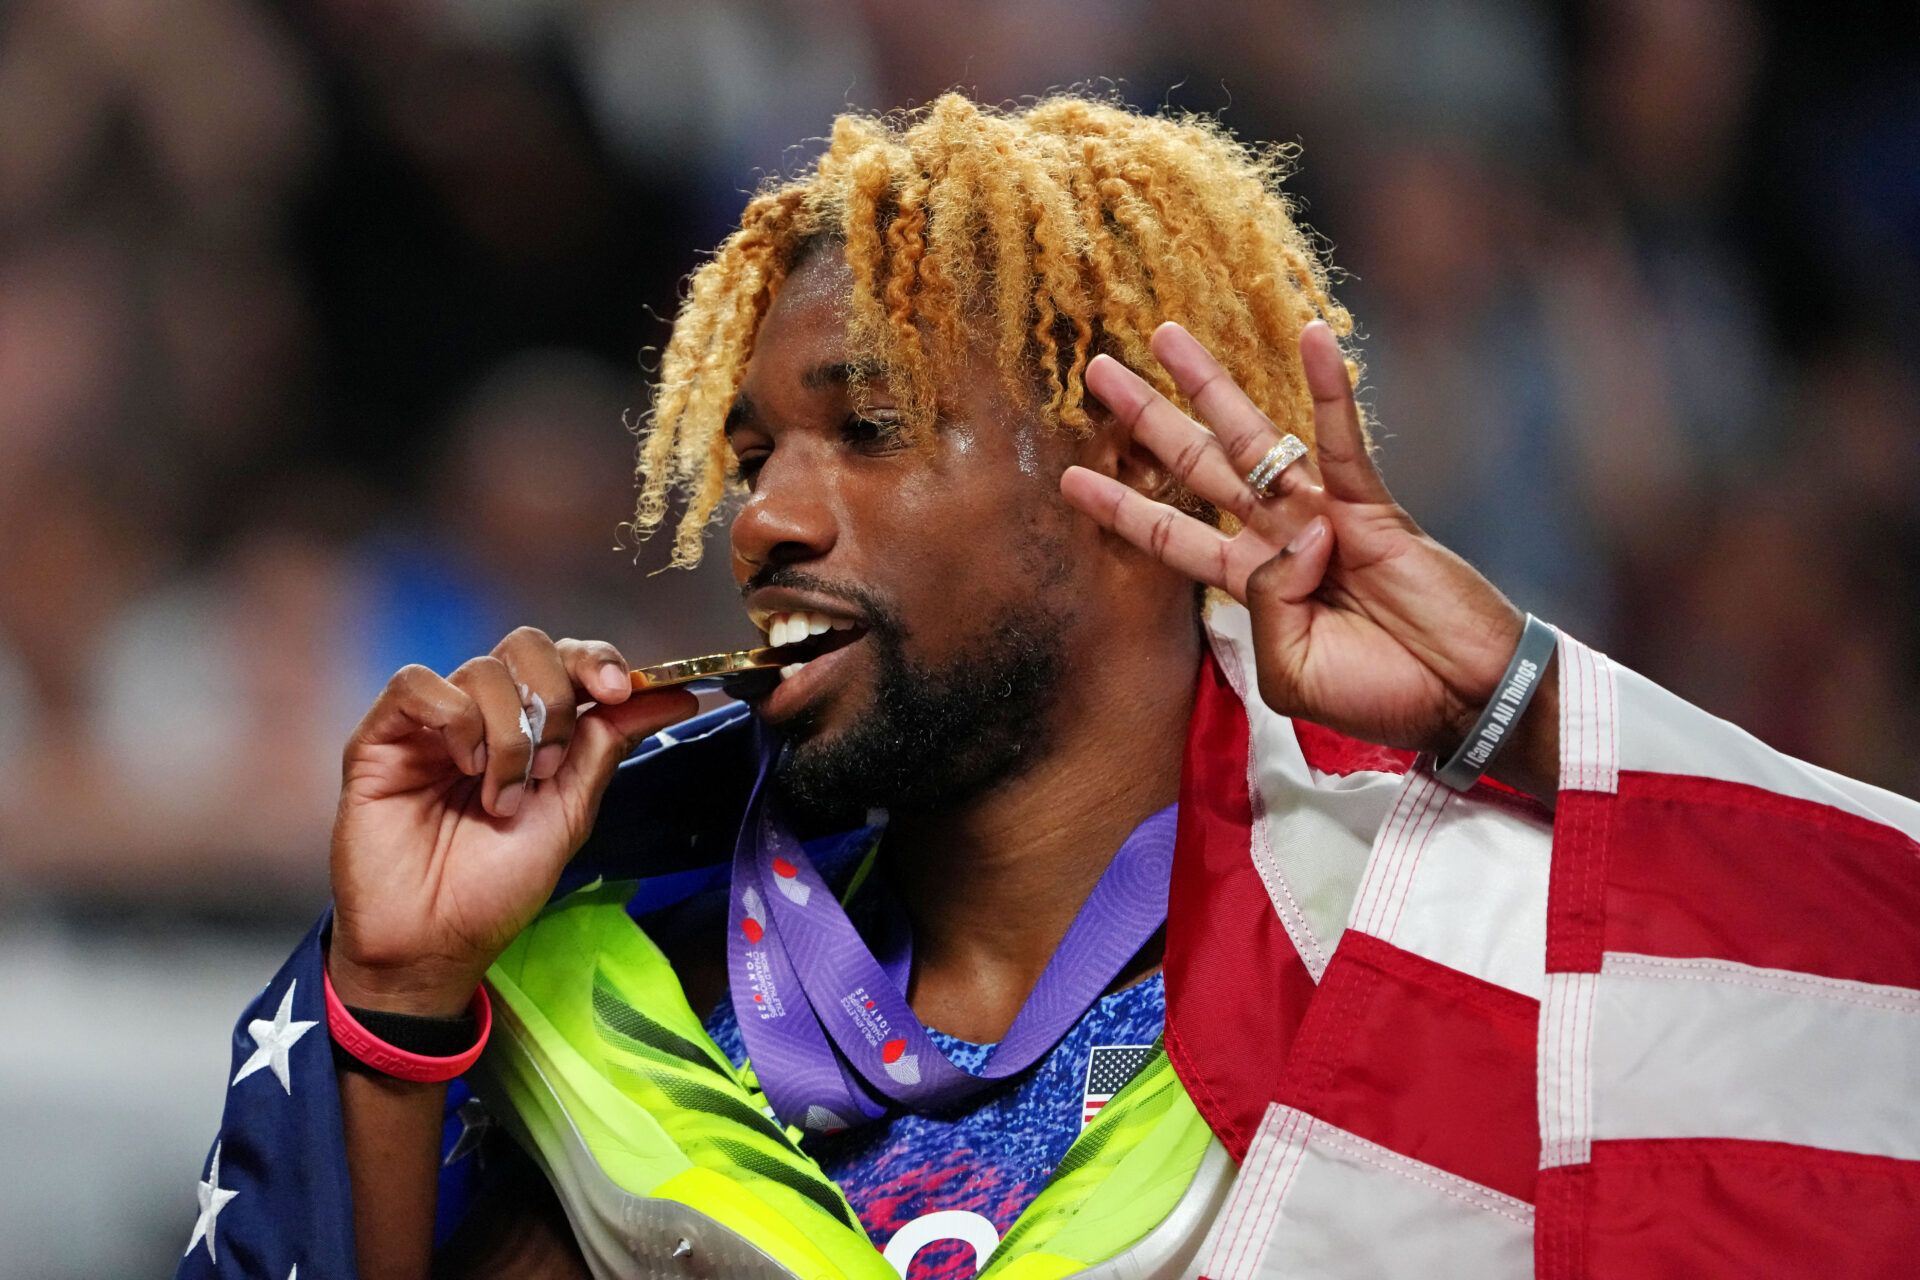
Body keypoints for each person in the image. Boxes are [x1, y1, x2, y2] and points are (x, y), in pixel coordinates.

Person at [179, 94, 1920, 1280]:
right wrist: (399, 1002)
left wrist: (1521, 711)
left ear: (1129, 474)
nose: (765, 520)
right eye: (754, 454)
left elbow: (1851, 1055)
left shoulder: (1414, 949)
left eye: (870, 427)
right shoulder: (629, 1029)